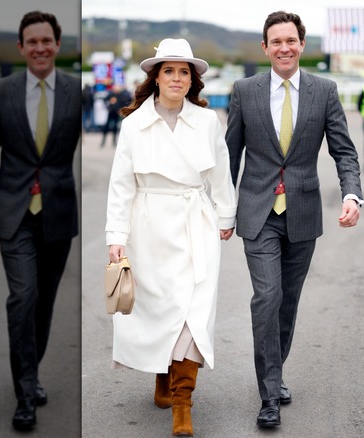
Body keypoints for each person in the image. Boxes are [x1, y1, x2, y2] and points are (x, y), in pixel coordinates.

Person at [225, 11, 363, 428]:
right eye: (276, 41)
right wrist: (221, 209)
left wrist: (352, 193)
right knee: (267, 299)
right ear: (264, 48)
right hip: (257, 211)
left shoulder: (325, 91)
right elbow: (229, 156)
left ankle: (275, 371)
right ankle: (269, 397)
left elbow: (344, 150)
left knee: (287, 302)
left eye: (291, 40)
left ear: (302, 45)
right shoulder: (243, 91)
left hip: (302, 213)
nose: (284, 48)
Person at [105, 38, 236, 437]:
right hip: (149, 228)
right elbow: (120, 185)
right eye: (169, 70)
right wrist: (117, 235)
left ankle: (183, 402)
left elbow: (220, 173)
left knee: (192, 313)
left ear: (192, 79)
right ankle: (163, 374)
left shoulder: (207, 121)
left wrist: (226, 214)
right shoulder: (133, 125)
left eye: (184, 71)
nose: (177, 78)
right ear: (156, 77)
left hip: (196, 223)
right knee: (159, 310)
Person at [0, 10, 81, 431]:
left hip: (57, 213)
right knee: (22, 299)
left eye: (47, 40)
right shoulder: (0, 91)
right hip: (14, 211)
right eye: (32, 41)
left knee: (43, 305)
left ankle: (31, 370)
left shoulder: (79, 91)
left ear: (57, 45)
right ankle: (25, 394)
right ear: (21, 48)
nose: (40, 48)